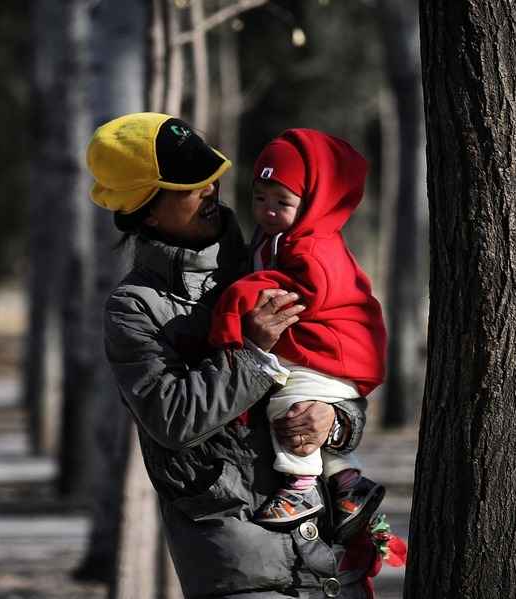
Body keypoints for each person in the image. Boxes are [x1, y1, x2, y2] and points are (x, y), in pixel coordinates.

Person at [87, 112, 371, 598]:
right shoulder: (135, 307)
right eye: (188, 185)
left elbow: (335, 365)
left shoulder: (275, 259)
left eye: (210, 178)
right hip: (240, 564)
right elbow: (172, 418)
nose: (210, 191)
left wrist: (336, 420)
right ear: (147, 211)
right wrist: (253, 353)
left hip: (330, 550)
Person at [207, 129, 387, 540]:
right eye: (259, 198)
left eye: (282, 202)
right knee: (301, 403)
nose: (268, 211)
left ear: (312, 203)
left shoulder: (312, 246)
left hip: (330, 349)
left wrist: (246, 292)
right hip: (313, 350)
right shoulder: (274, 238)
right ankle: (347, 483)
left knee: (291, 408)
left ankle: (303, 489)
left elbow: (308, 293)